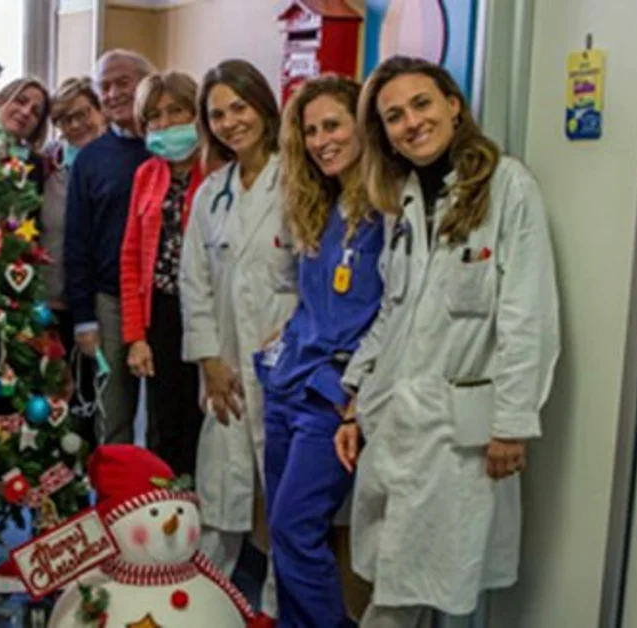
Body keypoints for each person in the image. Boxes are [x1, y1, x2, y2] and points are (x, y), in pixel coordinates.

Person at [333, 56, 560, 627]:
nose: (411, 122)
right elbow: (394, 311)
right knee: (401, 579)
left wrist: (512, 421)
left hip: (463, 429)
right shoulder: (402, 201)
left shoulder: (507, 186)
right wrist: (356, 395)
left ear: (453, 105)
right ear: (382, 134)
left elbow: (526, 316)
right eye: (393, 116)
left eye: (421, 104)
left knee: (440, 587)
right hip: (397, 417)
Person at [255, 74, 381, 627]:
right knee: (287, 535)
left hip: (332, 396)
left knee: (295, 529)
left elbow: (389, 315)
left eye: (333, 125)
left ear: (363, 126)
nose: (321, 140)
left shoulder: (387, 213)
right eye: (310, 131)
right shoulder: (323, 206)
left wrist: (349, 393)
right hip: (289, 381)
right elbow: (315, 299)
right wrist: (283, 336)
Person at [179, 59, 297, 620]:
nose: (230, 122)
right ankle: (201, 605)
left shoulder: (298, 180)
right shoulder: (212, 193)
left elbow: (316, 281)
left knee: (283, 503)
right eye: (218, 114)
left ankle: (271, 610)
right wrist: (209, 359)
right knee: (221, 492)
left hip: (288, 370)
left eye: (239, 108)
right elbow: (193, 283)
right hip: (226, 366)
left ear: (264, 108)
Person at [64, 49, 154, 445]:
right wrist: (84, 317)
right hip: (110, 302)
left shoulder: (172, 147)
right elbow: (77, 242)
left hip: (166, 301)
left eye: (123, 82)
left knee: (167, 414)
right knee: (112, 415)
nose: (114, 93)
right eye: (105, 85)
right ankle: (113, 502)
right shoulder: (91, 160)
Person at [119, 71, 207, 477]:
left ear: (196, 112)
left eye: (176, 111)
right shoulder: (147, 174)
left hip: (210, 313)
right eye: (155, 116)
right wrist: (136, 337)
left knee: (208, 421)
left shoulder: (219, 171)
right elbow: (132, 256)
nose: (166, 123)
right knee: (164, 426)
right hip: (163, 314)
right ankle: (171, 517)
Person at [43, 78, 108, 443]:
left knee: (91, 405)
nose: (76, 125)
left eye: (83, 113)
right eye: (65, 119)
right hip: (48, 306)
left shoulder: (116, 166)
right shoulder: (51, 169)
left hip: (95, 306)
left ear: (99, 111)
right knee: (52, 404)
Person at [0, 76, 52, 194]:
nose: (26, 112)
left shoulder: (38, 167)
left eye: (35, 112)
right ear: (0, 100)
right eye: (20, 101)